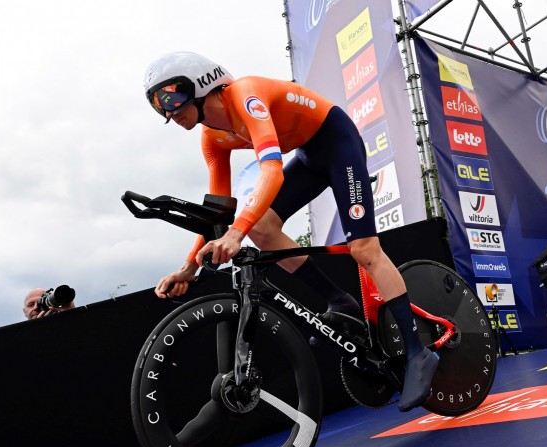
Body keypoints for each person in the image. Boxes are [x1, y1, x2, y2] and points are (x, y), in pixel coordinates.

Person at [143, 51, 437, 411]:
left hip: (337, 143)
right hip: (310, 158)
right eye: (159, 107)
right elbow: (218, 212)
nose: (169, 113)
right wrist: (190, 265)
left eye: (171, 98)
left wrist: (234, 233)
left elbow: (272, 171)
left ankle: (417, 352)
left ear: (202, 82)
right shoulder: (211, 139)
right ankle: (339, 301)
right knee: (262, 229)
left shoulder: (245, 94)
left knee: (363, 249)